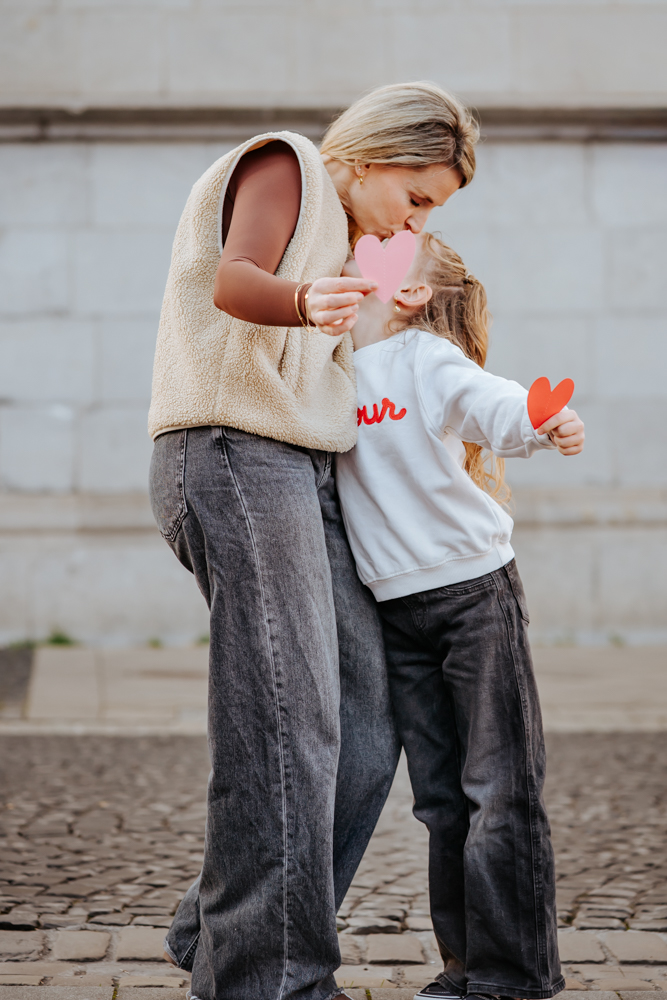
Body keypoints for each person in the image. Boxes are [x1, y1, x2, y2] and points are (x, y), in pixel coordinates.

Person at [148, 84, 478, 1000]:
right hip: (231, 451)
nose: (411, 216)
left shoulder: (348, 241)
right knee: (288, 721)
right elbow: (236, 282)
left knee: (367, 722)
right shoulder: (286, 159)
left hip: (303, 466)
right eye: (414, 196)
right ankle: (272, 977)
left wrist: (388, 307)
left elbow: (342, 352)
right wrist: (304, 298)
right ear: (372, 154)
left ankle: (214, 930)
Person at [335, 232, 585, 1000]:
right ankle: (465, 967)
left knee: (499, 789)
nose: (355, 250)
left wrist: (539, 421)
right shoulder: (333, 367)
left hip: (474, 596)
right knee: (443, 799)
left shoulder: (421, 357)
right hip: (396, 610)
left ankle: (513, 975)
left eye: (379, 250)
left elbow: (488, 401)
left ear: (406, 293)